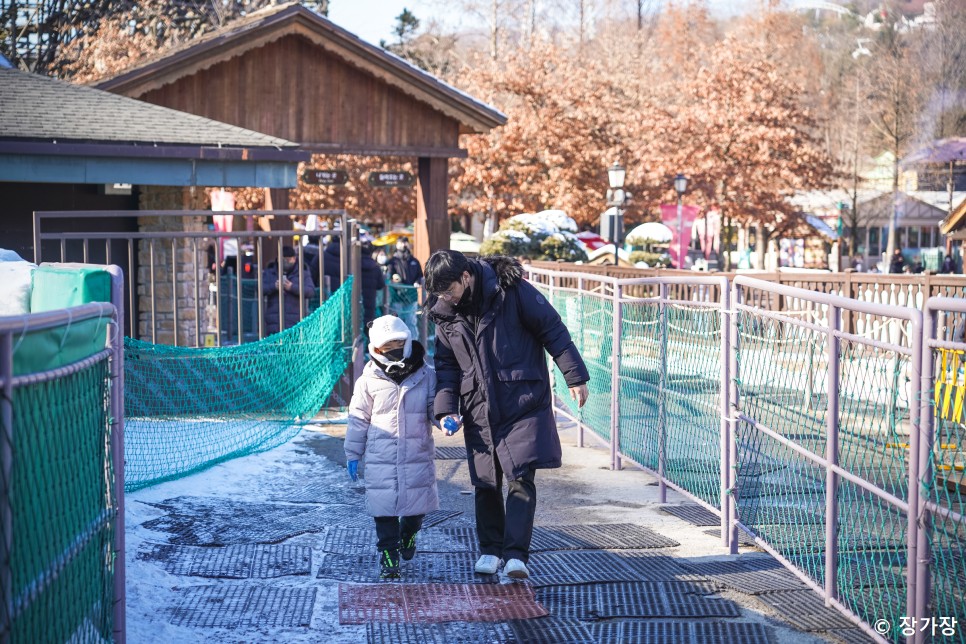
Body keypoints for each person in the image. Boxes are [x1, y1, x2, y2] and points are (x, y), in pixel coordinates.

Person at [424, 250, 590, 580]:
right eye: (439, 293)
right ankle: (489, 550)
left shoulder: (510, 290)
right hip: (478, 405)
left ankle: (515, 555)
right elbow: (446, 365)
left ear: (465, 278)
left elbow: (552, 328)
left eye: (449, 290)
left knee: (520, 475)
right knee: (485, 481)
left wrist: (575, 375)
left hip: (522, 398)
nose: (446, 298)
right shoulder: (445, 315)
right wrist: (444, 409)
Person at [344, 315, 439, 579]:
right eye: (387, 346)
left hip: (416, 454)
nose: (394, 349)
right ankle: (388, 554)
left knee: (416, 509)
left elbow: (434, 407)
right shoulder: (368, 380)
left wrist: (446, 417)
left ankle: (408, 534)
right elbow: (358, 418)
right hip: (380, 457)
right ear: (376, 349)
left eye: (399, 343)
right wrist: (353, 453)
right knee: (383, 509)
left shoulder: (426, 376)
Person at [262, 246, 315, 335]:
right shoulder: (270, 272)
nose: (285, 262)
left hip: (295, 323)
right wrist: (274, 286)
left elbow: (310, 291)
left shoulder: (302, 273)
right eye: (282, 259)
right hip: (274, 322)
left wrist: (292, 287)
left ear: (294, 259)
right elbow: (260, 289)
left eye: (288, 259)